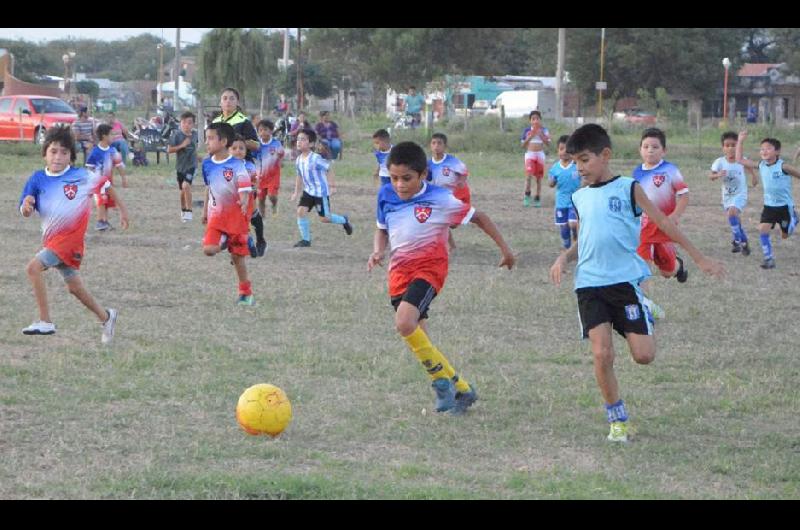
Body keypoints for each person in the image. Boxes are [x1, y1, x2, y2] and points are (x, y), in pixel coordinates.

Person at [549, 124, 724, 443]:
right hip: (589, 284)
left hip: (624, 283)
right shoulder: (578, 196)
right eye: (575, 162)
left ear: (605, 155)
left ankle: (641, 307)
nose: (579, 168)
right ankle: (617, 418)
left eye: (584, 160)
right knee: (602, 355)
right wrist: (563, 257)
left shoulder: (629, 188)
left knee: (644, 356)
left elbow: (663, 223)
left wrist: (698, 258)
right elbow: (585, 238)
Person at [367, 141, 515, 414]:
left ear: (423, 175)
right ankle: (461, 389)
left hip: (429, 270)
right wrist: (378, 251)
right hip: (398, 272)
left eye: (407, 178)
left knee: (404, 323)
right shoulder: (385, 195)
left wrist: (506, 249)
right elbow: (382, 229)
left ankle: (441, 385)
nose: (400, 185)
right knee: (419, 337)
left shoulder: (440, 198)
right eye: (395, 178)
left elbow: (479, 217)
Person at [18, 126, 129, 343]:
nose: (58, 157)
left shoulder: (81, 176)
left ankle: (45, 321)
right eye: (53, 151)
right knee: (74, 288)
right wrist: (27, 206)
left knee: (33, 268)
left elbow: (107, 187)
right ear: (44, 154)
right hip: (52, 240)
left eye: (64, 152)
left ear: (71, 156)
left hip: (69, 241)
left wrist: (123, 212)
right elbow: (24, 208)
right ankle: (106, 317)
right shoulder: (37, 179)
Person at [632, 128, 689, 320]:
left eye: (655, 147)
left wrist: (674, 216)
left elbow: (684, 195)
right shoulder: (637, 172)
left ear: (663, 150)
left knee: (666, 271)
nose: (650, 150)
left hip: (664, 227)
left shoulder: (670, 170)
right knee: (642, 268)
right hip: (644, 227)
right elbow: (636, 199)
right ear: (640, 149)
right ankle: (646, 308)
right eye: (646, 147)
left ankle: (678, 266)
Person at [201, 122, 255, 306]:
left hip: (236, 218)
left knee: (237, 258)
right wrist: (204, 210)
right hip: (216, 218)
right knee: (209, 250)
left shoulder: (237, 165)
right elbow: (209, 188)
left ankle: (246, 293)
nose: (206, 142)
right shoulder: (207, 164)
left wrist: (244, 201)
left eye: (210, 138)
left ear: (223, 141)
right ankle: (224, 240)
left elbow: (245, 188)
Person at [735, 130, 800, 269]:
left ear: (777, 151)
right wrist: (740, 141)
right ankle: (768, 259)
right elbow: (740, 160)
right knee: (763, 230)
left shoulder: (784, 167)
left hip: (784, 207)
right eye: (762, 149)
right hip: (769, 207)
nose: (764, 151)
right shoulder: (761, 165)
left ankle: (794, 218)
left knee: (785, 235)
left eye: (768, 148)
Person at [290, 129, 353, 247]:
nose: (299, 142)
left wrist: (332, 186)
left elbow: (328, 169)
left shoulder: (315, 158)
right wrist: (296, 192)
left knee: (325, 218)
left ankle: (344, 220)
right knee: (300, 211)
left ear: (311, 144)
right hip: (308, 191)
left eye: (303, 139)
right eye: (298, 139)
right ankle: (306, 240)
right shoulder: (298, 160)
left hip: (320, 193)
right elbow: (299, 176)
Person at [709, 132, 752, 255]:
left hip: (740, 193)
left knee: (732, 213)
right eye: (727, 145)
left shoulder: (741, 160)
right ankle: (744, 241)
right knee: (735, 219)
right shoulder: (720, 162)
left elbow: (749, 167)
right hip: (727, 196)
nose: (730, 148)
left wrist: (754, 177)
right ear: (723, 148)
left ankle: (736, 240)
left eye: (733, 145)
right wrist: (717, 175)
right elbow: (710, 176)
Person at [427, 132, 471, 250]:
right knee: (441, 221)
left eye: (439, 143)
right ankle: (451, 246)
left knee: (452, 224)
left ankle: (451, 244)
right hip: (439, 198)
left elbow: (463, 172)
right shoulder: (427, 164)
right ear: (430, 145)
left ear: (445, 146)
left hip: (456, 195)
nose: (436, 146)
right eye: (434, 143)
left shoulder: (452, 161)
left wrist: (461, 181)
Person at [86, 123, 128, 231]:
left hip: (109, 182)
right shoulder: (95, 152)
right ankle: (100, 221)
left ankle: (104, 221)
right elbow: (89, 168)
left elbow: (119, 165)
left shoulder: (112, 151)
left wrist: (124, 178)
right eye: (111, 134)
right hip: (98, 182)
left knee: (107, 201)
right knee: (101, 200)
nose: (113, 137)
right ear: (104, 136)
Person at [547, 135, 582, 250]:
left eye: (568, 149)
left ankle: (576, 238)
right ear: (558, 151)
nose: (565, 152)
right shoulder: (555, 168)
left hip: (574, 201)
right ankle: (566, 242)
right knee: (564, 226)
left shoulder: (577, 165)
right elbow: (550, 183)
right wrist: (552, 182)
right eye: (561, 149)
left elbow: (585, 179)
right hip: (561, 202)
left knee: (573, 223)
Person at [229, 133, 260, 259]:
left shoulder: (249, 166)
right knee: (235, 227)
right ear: (228, 150)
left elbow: (254, 183)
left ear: (246, 150)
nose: (238, 151)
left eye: (241, 148)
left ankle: (241, 249)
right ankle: (247, 243)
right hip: (231, 201)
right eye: (234, 148)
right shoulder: (225, 166)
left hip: (246, 201)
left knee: (241, 225)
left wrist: (253, 188)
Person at [212, 87, 260, 161]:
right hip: (220, 166)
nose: (228, 101)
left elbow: (256, 145)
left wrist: (237, 141)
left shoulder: (243, 121)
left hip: (242, 165)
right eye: (225, 98)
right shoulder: (215, 122)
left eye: (232, 98)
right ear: (220, 103)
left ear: (237, 102)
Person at [167, 111, 198, 223]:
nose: (186, 125)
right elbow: (169, 150)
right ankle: (183, 210)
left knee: (186, 186)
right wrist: (182, 145)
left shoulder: (195, 134)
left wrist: (198, 158)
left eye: (189, 123)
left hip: (192, 166)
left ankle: (189, 212)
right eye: (184, 122)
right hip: (180, 167)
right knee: (182, 191)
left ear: (193, 124)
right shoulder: (176, 135)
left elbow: (194, 149)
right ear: (180, 123)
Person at [255, 119, 285, 227]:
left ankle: (274, 204)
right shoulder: (257, 144)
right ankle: (262, 217)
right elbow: (253, 156)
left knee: (272, 195)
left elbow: (281, 154)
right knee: (261, 198)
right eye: (260, 130)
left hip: (273, 176)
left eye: (265, 130)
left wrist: (280, 162)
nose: (263, 132)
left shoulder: (276, 143)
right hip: (260, 176)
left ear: (271, 131)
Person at [520, 110, 551, 207]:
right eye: (533, 119)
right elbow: (522, 145)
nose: (535, 121)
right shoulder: (527, 130)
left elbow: (548, 143)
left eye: (537, 119)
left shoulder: (544, 130)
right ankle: (527, 196)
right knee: (528, 176)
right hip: (530, 154)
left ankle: (537, 198)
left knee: (538, 178)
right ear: (530, 121)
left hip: (540, 155)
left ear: (540, 120)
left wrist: (540, 134)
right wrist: (531, 136)